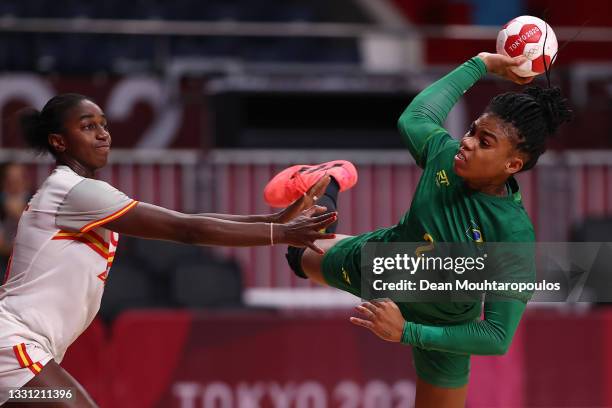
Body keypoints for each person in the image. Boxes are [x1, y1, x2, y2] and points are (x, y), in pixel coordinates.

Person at [265, 53, 571, 407]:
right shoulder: (444, 154)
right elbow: (416, 117)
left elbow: (497, 335)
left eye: (485, 142)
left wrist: (408, 332)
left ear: (512, 164)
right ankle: (329, 180)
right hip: (383, 268)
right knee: (296, 255)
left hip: (447, 322)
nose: (468, 142)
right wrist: (481, 64)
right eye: (472, 130)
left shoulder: (511, 234)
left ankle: (325, 185)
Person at [0, 93, 337, 407]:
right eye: (88, 126)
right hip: (13, 345)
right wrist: (280, 233)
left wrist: (273, 219)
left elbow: (188, 220)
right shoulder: (73, 191)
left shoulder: (80, 192)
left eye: (104, 124)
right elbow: (186, 230)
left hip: (28, 347)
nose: (103, 134)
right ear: (59, 142)